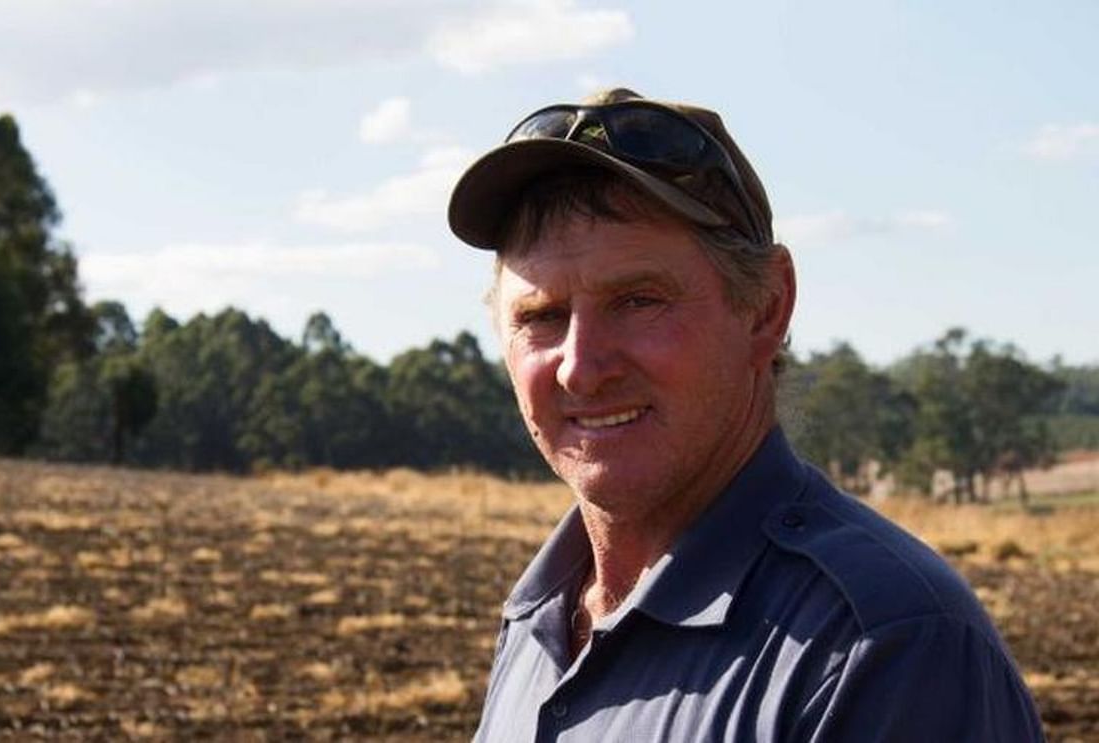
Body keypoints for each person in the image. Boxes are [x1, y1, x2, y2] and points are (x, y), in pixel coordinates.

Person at [446, 88, 1044, 742]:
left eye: (639, 300)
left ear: (765, 308)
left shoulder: (884, 647)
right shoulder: (540, 621)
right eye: (541, 316)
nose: (581, 368)